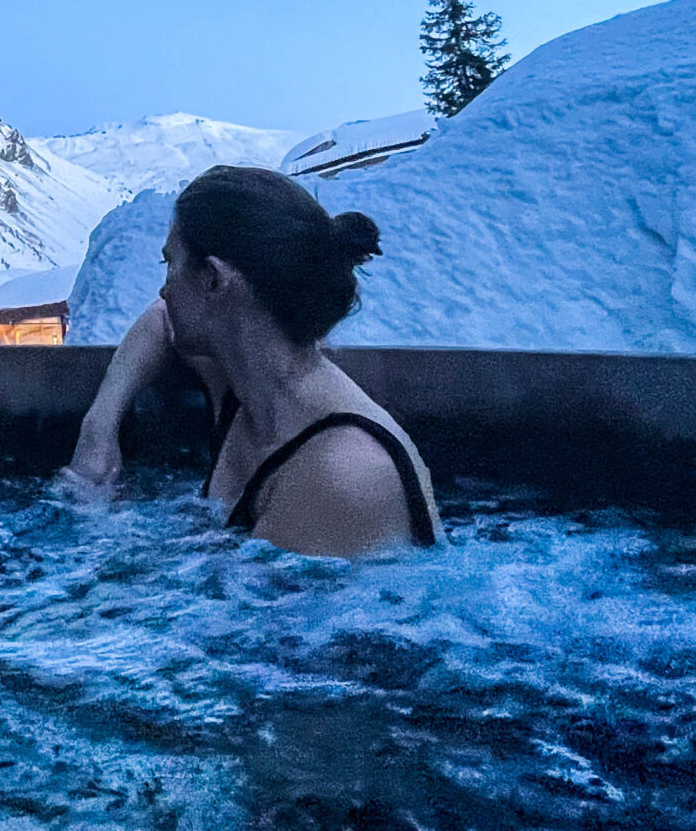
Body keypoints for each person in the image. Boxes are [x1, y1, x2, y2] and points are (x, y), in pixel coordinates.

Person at [67, 166, 441, 557]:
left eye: (170, 264)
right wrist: (99, 429)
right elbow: (160, 318)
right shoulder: (243, 384)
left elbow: (240, 608)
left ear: (213, 278)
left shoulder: (337, 474)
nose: (164, 289)